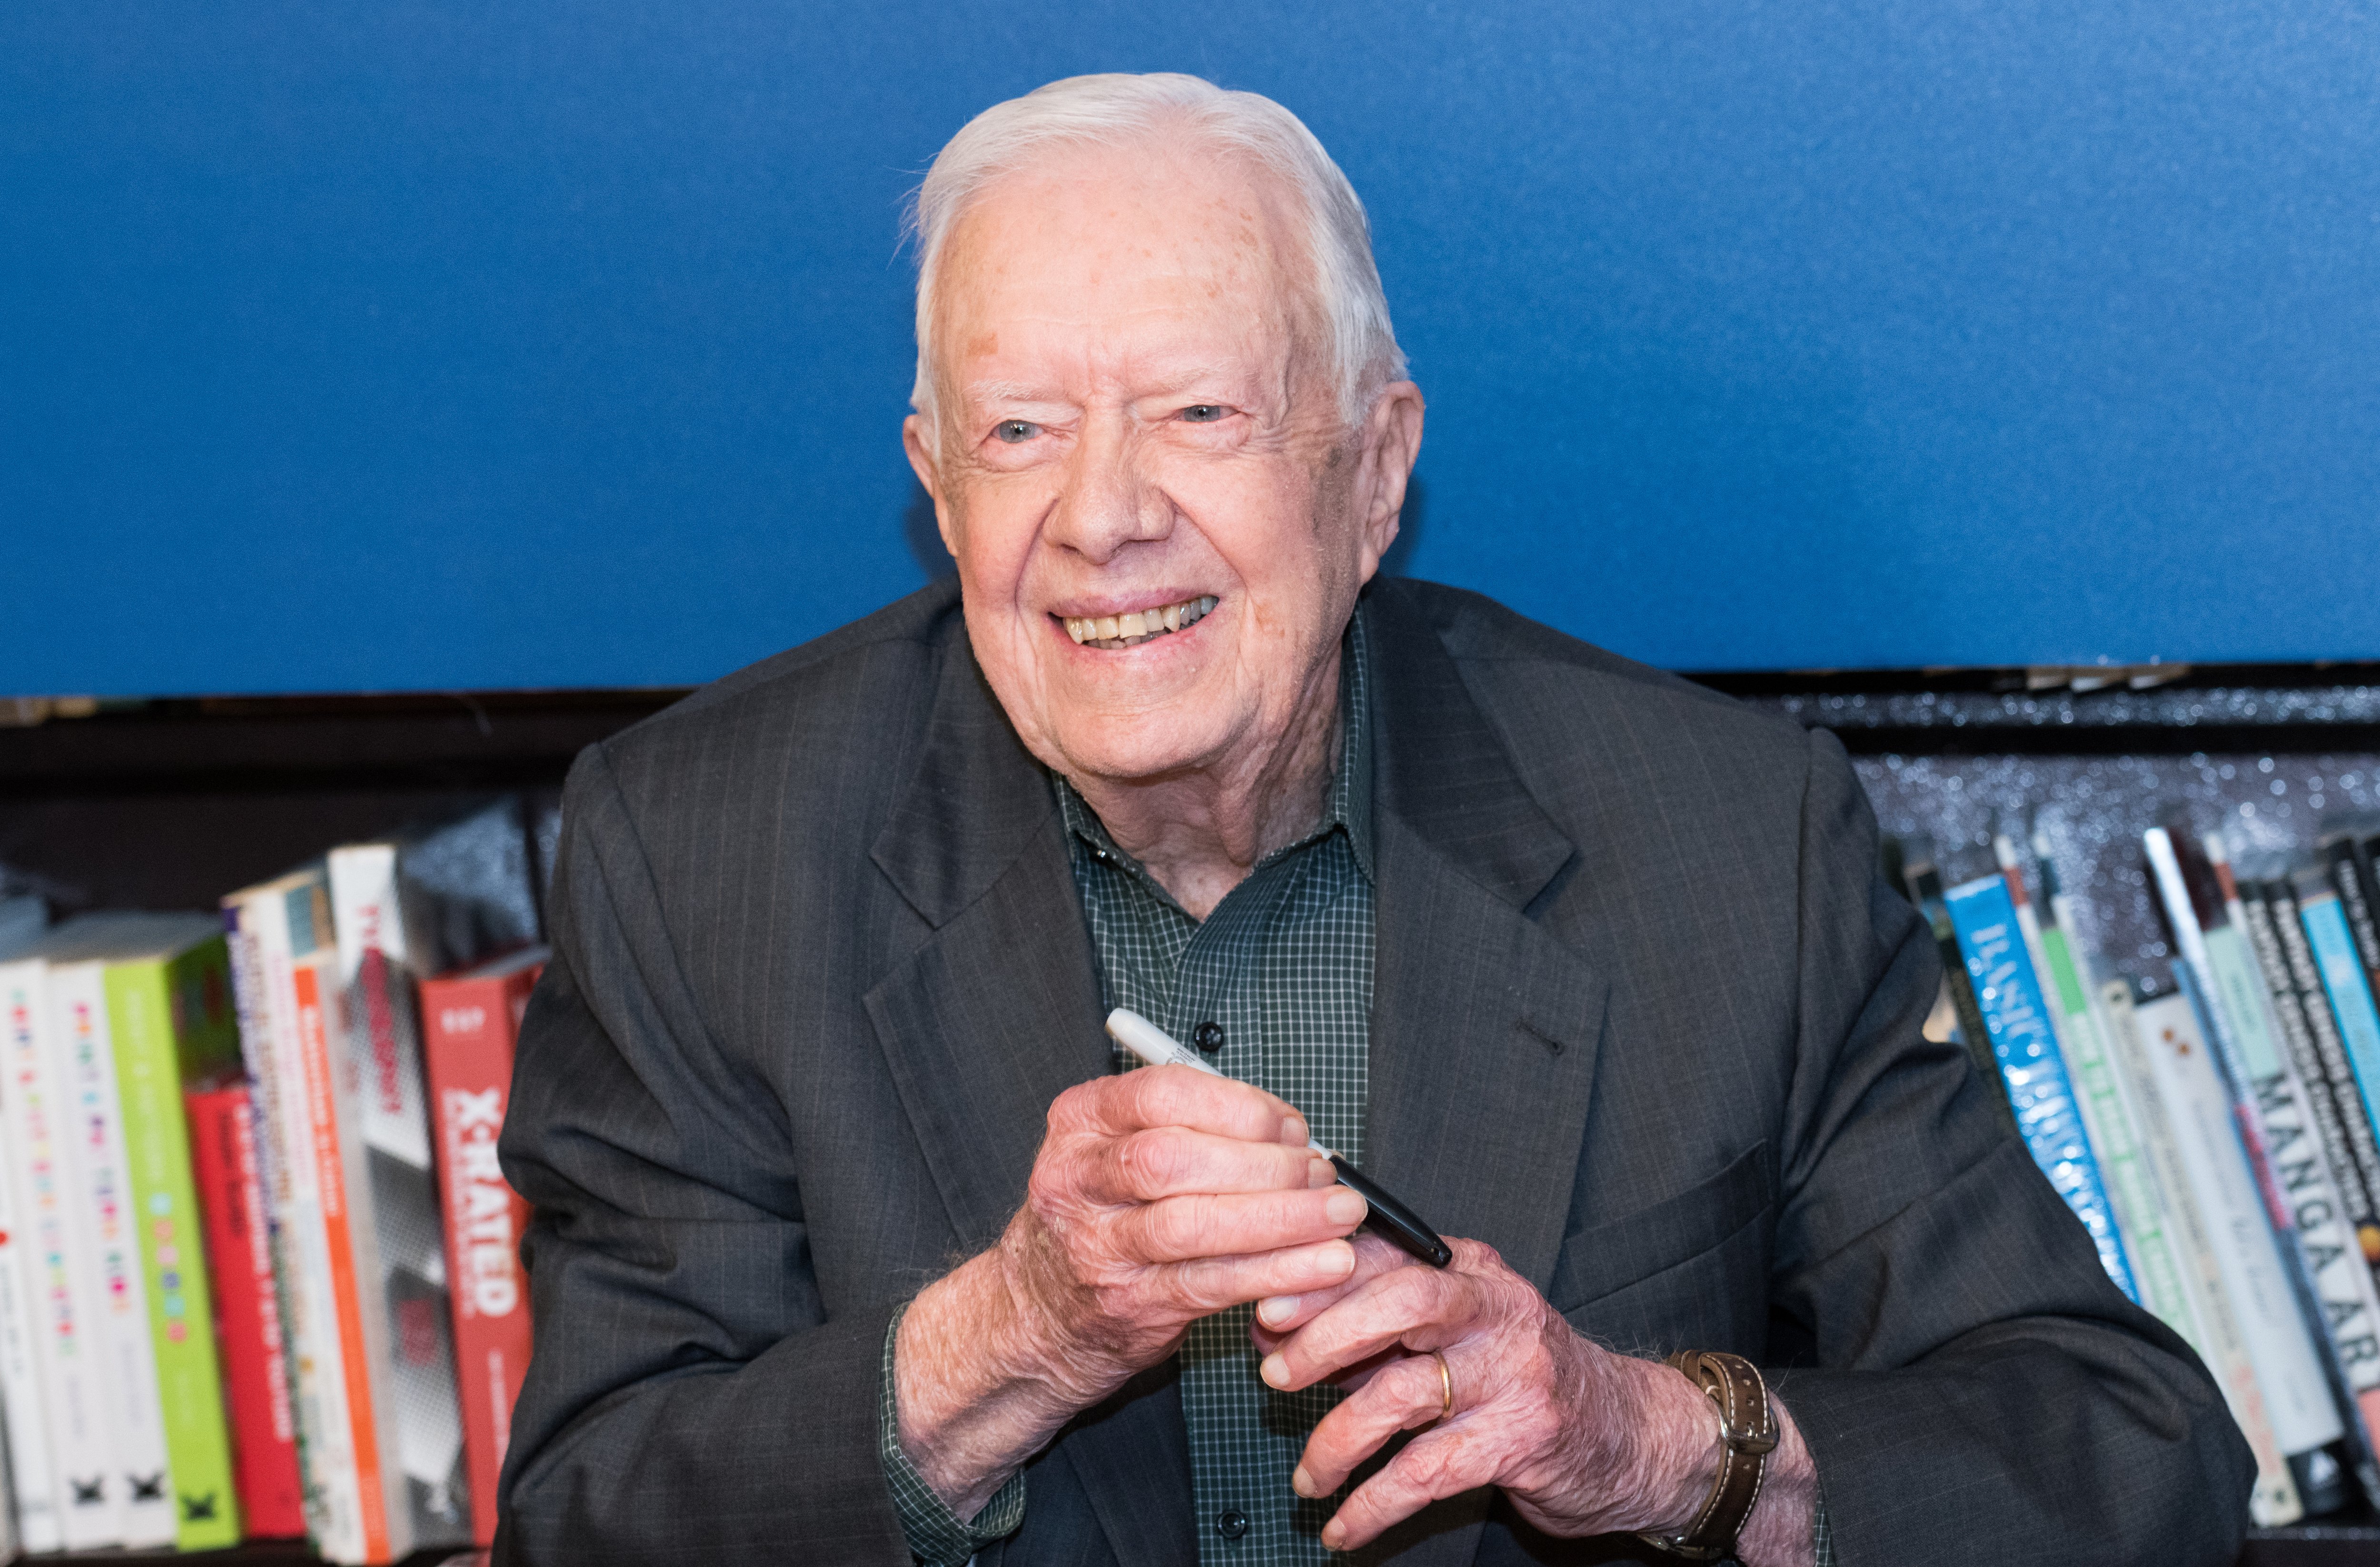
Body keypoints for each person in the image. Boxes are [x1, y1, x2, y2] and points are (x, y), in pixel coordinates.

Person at [493, 72, 2252, 1567]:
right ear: (935, 485)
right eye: (1020, 429)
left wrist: (1654, 1438)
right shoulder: (698, 852)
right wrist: (1006, 1336)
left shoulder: (1726, 842)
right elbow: (583, 1516)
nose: (1105, 517)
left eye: (1202, 413)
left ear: (1377, 467)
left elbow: (2131, 1457)